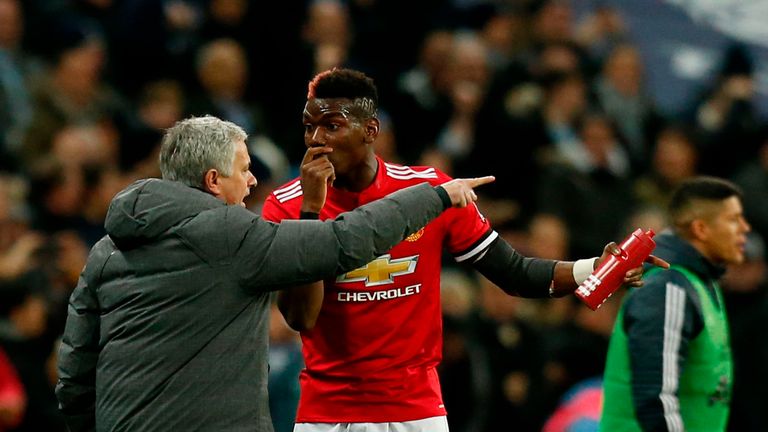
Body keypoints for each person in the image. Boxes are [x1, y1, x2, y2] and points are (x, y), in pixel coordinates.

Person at [260, 68, 667, 432]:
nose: (317, 140)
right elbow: (302, 318)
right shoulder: (287, 205)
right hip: (326, 414)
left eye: (332, 126)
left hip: (416, 413)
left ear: (370, 130)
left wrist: (594, 267)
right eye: (309, 126)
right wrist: (311, 213)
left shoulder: (430, 192)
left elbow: (515, 273)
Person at [54, 114, 494, 432]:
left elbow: (75, 367)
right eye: (244, 170)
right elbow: (340, 243)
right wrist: (433, 197)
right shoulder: (230, 234)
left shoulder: (106, 251)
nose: (250, 183)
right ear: (212, 180)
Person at [600, 176, 750, 431]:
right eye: (733, 219)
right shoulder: (667, 288)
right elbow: (657, 399)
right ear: (701, 229)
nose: (745, 228)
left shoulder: (702, 282)